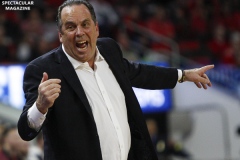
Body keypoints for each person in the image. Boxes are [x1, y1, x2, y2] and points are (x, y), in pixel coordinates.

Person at [17, 0, 214, 160]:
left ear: (96, 29)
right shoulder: (42, 70)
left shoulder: (109, 49)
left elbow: (139, 72)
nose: (79, 32)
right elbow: (26, 131)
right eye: (70, 27)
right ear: (60, 35)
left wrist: (183, 75)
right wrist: (41, 106)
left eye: (85, 24)